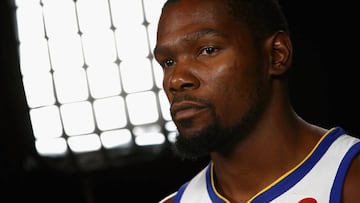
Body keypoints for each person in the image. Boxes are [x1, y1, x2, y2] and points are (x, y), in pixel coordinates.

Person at [153, 0, 360, 202]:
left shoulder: (351, 179)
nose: (176, 79)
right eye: (168, 62)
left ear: (276, 55)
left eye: (208, 50)